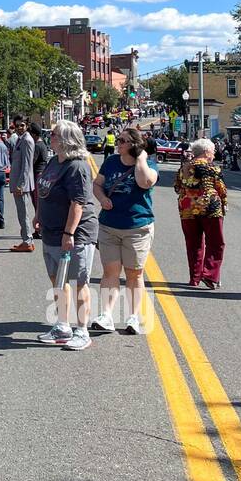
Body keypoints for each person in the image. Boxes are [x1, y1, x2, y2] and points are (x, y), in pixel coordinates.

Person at [34, 120, 98, 351]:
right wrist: (38, 215)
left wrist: (69, 233)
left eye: (54, 134)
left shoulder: (77, 167)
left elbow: (78, 203)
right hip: (51, 232)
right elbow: (44, 190)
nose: (50, 137)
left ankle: (82, 331)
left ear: (66, 139)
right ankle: (63, 326)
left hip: (75, 234)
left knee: (80, 282)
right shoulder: (54, 161)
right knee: (58, 281)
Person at [91, 125, 158, 335]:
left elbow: (144, 182)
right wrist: (102, 199)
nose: (117, 143)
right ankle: (106, 315)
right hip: (110, 226)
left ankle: (132, 316)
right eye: (118, 140)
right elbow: (97, 184)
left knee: (134, 274)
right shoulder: (110, 162)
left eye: (122, 141)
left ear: (134, 145)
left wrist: (140, 159)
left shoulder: (148, 164)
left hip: (137, 227)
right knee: (110, 272)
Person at [173, 138, 228, 289]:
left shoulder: (183, 168)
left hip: (187, 209)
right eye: (212, 151)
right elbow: (221, 189)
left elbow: (177, 187)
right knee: (216, 243)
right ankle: (209, 275)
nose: (214, 154)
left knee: (193, 244)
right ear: (206, 152)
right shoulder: (212, 168)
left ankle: (195, 278)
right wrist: (224, 204)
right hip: (210, 207)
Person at [9, 119, 36, 253]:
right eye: (17, 125)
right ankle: (27, 240)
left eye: (22, 125)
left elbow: (27, 165)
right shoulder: (21, 139)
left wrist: (21, 184)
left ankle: (27, 241)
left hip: (22, 185)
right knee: (21, 214)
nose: (19, 127)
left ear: (27, 125)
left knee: (23, 214)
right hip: (18, 183)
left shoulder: (27, 140)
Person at [30, 122, 50, 240]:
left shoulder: (37, 146)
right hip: (40, 175)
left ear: (34, 134)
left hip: (38, 175)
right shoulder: (42, 144)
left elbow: (32, 161)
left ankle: (41, 229)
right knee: (38, 203)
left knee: (38, 204)